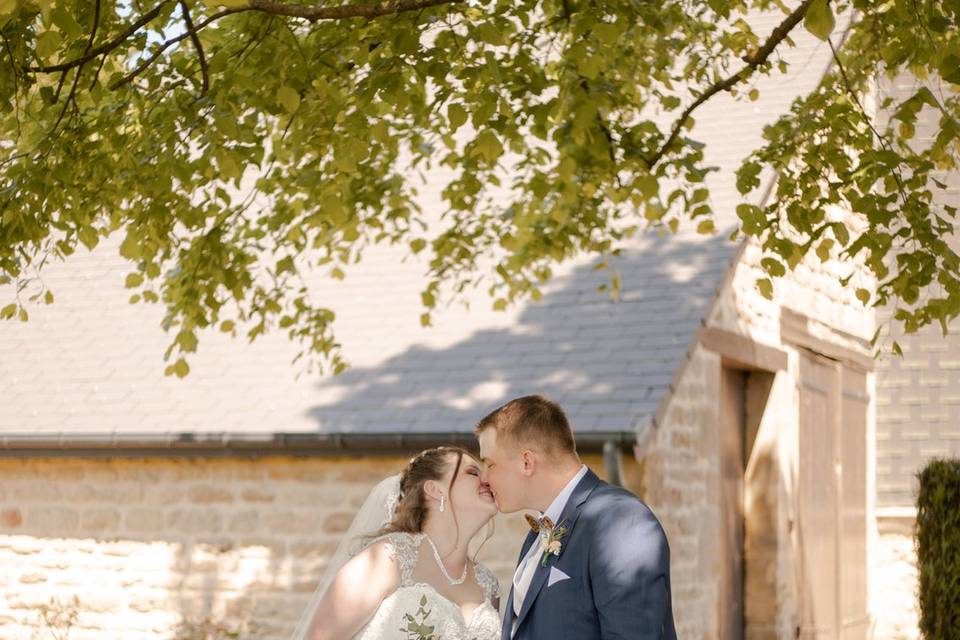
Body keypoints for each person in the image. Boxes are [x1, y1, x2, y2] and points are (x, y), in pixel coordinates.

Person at [476, 395, 677, 640]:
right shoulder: (537, 534)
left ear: (527, 462)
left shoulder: (623, 523)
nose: (483, 478)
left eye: (489, 463)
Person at [291, 446, 502, 640]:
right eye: (472, 472)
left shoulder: (487, 585)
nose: (486, 479)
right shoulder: (387, 559)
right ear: (434, 490)